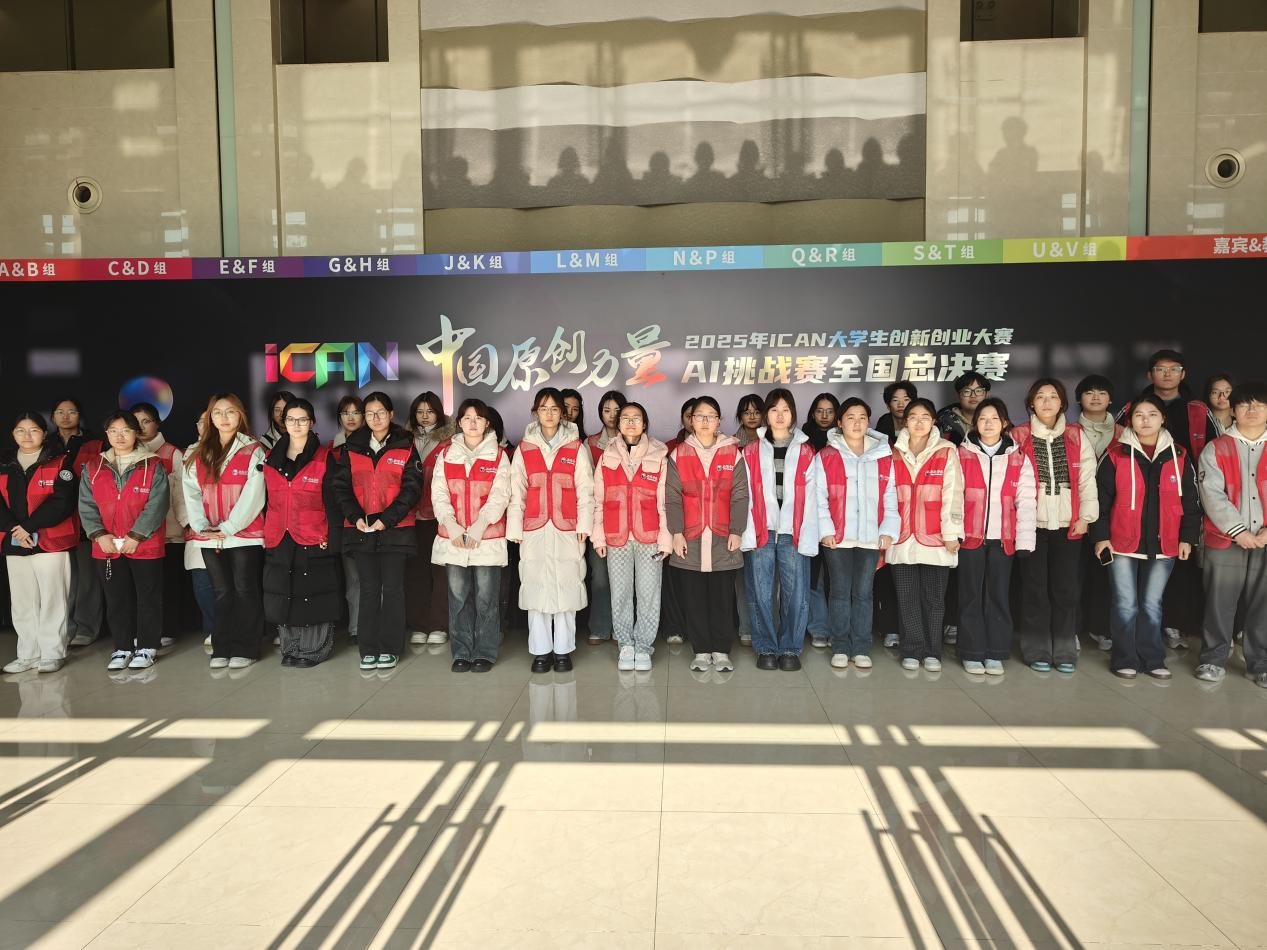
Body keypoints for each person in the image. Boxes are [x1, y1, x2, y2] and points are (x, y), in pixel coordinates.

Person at [1091, 396, 1200, 680]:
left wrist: (1187, 537)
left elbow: (1191, 501)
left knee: (1152, 604)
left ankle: (1153, 659)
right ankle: (1125, 658)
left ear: (1163, 418)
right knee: (1125, 603)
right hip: (1121, 542)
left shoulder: (1179, 454)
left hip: (1166, 541)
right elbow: (1100, 500)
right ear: (1131, 420)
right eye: (1139, 414)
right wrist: (1101, 537)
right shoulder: (1115, 454)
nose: (1146, 420)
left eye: (1152, 414)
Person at [1116, 350, 1217, 650]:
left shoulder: (1197, 409)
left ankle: (1174, 625)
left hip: (1182, 496)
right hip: (1136, 500)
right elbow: (1117, 447)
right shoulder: (1131, 407)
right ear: (1150, 374)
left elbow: (1215, 450)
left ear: (1183, 374)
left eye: (1174, 369)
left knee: (1179, 567)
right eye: (1160, 369)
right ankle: (1128, 638)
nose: (1167, 374)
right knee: (1129, 580)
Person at [1012, 378, 1099, 673]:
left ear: (1062, 402)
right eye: (1040, 396)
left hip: (1068, 522)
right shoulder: (1019, 435)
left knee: (1066, 589)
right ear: (1031, 403)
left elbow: (1087, 479)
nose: (1047, 402)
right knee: (1034, 589)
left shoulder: (1076, 435)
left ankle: (1064, 649)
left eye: (1053, 396)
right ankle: (1036, 649)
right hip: (1031, 523)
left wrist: (1086, 517)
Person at [332, 391, 423, 671]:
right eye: (369, 413)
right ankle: (368, 648)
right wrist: (355, 517)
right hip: (361, 529)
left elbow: (412, 488)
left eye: (380, 412)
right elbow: (340, 488)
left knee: (393, 588)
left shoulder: (405, 445)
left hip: (395, 529)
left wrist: (387, 519)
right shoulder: (351, 447)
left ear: (391, 414)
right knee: (368, 589)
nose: (375, 418)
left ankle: (390, 648)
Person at [507, 387, 594, 673]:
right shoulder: (525, 448)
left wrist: (584, 524)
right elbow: (516, 491)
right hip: (533, 527)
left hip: (568, 528)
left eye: (554, 409)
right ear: (536, 412)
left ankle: (563, 650)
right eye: (543, 409)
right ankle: (541, 651)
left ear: (563, 414)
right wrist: (515, 527)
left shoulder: (576, 448)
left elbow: (586, 489)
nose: (549, 414)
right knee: (536, 587)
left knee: (566, 587)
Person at [78, 411, 170, 671]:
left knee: (148, 597)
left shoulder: (152, 465)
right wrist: (98, 534)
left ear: (136, 433)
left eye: (126, 430)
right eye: (113, 431)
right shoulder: (93, 467)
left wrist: (136, 535)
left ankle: (147, 646)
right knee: (116, 598)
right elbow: (86, 504)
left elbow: (158, 503)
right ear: (106, 434)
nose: (119, 436)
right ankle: (122, 647)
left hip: (144, 543)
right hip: (107, 545)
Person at [182, 393, 267, 670]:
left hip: (243, 534)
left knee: (245, 589)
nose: (224, 418)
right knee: (220, 591)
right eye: (217, 413)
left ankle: (246, 647)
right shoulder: (197, 452)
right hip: (209, 535)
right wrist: (201, 525)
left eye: (230, 412)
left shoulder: (253, 449)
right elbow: (191, 492)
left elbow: (254, 494)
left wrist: (229, 527)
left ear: (240, 415)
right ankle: (222, 647)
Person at [813, 397, 898, 669]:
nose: (857, 423)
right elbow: (819, 497)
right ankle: (840, 645)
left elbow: (890, 495)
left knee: (863, 593)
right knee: (839, 592)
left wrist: (888, 530)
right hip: (838, 537)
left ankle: (861, 647)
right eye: (850, 417)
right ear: (840, 422)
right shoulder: (827, 455)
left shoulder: (883, 455)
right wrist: (826, 530)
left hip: (871, 537)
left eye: (862, 417)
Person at [666, 396, 749, 672]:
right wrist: (676, 533)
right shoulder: (679, 454)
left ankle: (721, 650)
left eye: (710, 416)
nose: (704, 421)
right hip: (690, 536)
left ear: (718, 421)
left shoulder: (732, 453)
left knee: (722, 597)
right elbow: (672, 497)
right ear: (691, 421)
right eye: (699, 416)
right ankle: (701, 650)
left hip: (723, 535)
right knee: (695, 598)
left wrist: (737, 530)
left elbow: (740, 494)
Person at [740, 389, 819, 671]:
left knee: (796, 594)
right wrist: (748, 531)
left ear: (793, 413)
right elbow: (746, 495)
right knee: (760, 592)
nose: (780, 415)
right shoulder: (751, 451)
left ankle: (790, 648)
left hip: (792, 532)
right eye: (774, 410)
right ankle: (765, 648)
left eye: (785, 410)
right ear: (766, 414)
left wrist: (808, 534)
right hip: (762, 530)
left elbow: (813, 497)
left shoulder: (807, 451)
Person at [956, 398, 1036, 675]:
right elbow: (954, 497)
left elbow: (1026, 501)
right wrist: (955, 533)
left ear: (1004, 423)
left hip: (1004, 538)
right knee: (970, 595)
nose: (988, 423)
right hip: (970, 537)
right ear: (974, 423)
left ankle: (995, 652)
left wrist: (1025, 541)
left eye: (994, 418)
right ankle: (971, 652)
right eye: (982, 418)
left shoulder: (1018, 456)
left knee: (998, 595)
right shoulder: (962, 454)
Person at [431, 399, 512, 672]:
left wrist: (480, 526)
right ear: (459, 423)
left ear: (487, 423)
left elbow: (501, 495)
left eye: (478, 418)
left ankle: (485, 652)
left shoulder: (499, 456)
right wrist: (451, 525)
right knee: (458, 598)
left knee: (487, 599)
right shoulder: (446, 454)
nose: (473, 423)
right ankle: (461, 652)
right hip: (453, 538)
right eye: (467, 418)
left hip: (486, 538)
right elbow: (439, 493)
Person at [1196, 382, 1267, 687]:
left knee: (1264, 603)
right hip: (1225, 540)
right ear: (1233, 410)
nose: (1252, 410)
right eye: (1245, 405)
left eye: (1259, 405)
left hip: (1265, 540)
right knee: (1219, 602)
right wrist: (1239, 531)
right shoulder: (1216, 447)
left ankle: (1260, 663)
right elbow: (1211, 494)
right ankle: (1213, 660)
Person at [262, 398, 341, 668]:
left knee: (314, 594)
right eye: (291, 419)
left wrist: (332, 538)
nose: (296, 424)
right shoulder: (271, 458)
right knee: (285, 592)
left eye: (302, 419)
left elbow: (333, 503)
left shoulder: (324, 458)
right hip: (279, 535)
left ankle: (313, 649)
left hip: (313, 535)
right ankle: (291, 647)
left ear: (312, 422)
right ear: (283, 423)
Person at [592, 402, 670, 671]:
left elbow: (664, 502)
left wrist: (665, 538)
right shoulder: (607, 455)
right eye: (625, 418)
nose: (630, 422)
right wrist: (598, 537)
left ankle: (644, 647)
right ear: (619, 423)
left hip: (649, 536)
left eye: (636, 418)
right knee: (620, 594)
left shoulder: (659, 454)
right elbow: (598, 499)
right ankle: (625, 644)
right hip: (616, 535)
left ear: (645, 424)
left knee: (649, 594)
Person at [887, 398, 964, 671]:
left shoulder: (946, 450)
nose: (919, 422)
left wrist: (952, 533)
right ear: (905, 421)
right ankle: (912, 648)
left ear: (933, 421)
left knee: (934, 598)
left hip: (936, 536)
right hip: (902, 534)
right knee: (906, 597)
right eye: (913, 417)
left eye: (925, 417)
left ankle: (932, 651)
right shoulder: (892, 452)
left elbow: (953, 494)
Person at [0, 411, 77, 673]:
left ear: (44, 434)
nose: (27, 435)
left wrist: (28, 527)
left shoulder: (60, 461)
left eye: (33, 430)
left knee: (53, 598)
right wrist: (14, 530)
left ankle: (53, 653)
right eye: (20, 430)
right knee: (22, 600)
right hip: (14, 541)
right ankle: (28, 654)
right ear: (13, 434)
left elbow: (63, 502)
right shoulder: (4, 463)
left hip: (50, 541)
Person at [133, 402, 188, 647]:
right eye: (136, 423)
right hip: (136, 533)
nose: (141, 427)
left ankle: (168, 628)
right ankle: (144, 629)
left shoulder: (172, 453)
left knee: (168, 584)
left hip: (169, 531)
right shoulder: (126, 452)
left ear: (157, 423)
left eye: (146, 421)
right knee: (142, 586)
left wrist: (183, 524)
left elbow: (180, 494)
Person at [51, 397, 104, 649]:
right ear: (53, 416)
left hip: (84, 520)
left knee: (86, 579)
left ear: (79, 415)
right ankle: (60, 630)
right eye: (60, 412)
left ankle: (85, 628)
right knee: (60, 580)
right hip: (53, 522)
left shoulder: (94, 443)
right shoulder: (46, 443)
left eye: (71, 411)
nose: (65, 416)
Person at [1075, 374, 1122, 652]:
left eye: (1102, 392)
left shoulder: (1124, 432)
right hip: (1076, 512)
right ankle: (1073, 628)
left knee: (1105, 573)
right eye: (1089, 392)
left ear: (1110, 398)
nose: (1095, 397)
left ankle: (1101, 628)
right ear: (1079, 399)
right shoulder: (1069, 431)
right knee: (1074, 573)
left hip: (1112, 513)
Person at [405, 391, 454, 646]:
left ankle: (439, 625)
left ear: (439, 414)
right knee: (416, 572)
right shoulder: (403, 440)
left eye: (430, 411)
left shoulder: (451, 441)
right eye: (420, 411)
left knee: (441, 572)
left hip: (439, 517)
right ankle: (419, 624)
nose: (425, 416)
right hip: (410, 517)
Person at [582, 390, 626, 645]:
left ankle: (622, 628)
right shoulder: (590, 444)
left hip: (627, 520)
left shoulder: (634, 440)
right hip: (599, 518)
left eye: (617, 411)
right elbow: (587, 484)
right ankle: (599, 626)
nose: (612, 415)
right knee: (599, 577)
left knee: (624, 578)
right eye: (607, 410)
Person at [802, 392, 839, 647]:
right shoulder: (802, 441)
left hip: (840, 518)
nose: (824, 416)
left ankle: (838, 629)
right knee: (813, 577)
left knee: (838, 579)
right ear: (812, 413)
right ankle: (818, 627)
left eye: (830, 411)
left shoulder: (846, 441)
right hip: (809, 517)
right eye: (819, 411)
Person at [330, 395, 364, 642]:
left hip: (375, 520)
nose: (350, 418)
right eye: (345, 413)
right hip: (345, 522)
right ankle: (356, 627)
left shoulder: (374, 444)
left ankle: (376, 625)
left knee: (375, 578)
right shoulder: (331, 450)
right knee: (353, 578)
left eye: (356, 412)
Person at [661, 398, 696, 643]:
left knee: (697, 580)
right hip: (674, 518)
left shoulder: (721, 449)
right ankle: (674, 627)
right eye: (689, 416)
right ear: (682, 419)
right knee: (673, 576)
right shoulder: (669, 448)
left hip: (703, 521)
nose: (694, 421)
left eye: (700, 415)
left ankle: (697, 628)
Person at [731, 393, 763, 645]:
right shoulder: (730, 446)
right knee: (742, 577)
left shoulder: (771, 443)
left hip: (765, 517)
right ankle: (746, 628)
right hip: (739, 517)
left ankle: (767, 628)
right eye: (746, 412)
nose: (752, 416)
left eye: (756, 411)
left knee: (766, 579)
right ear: (740, 416)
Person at [183, 412, 215, 645]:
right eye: (201, 422)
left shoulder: (241, 450)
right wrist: (189, 521)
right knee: (203, 583)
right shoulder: (190, 452)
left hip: (231, 528)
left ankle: (235, 630)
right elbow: (180, 493)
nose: (205, 426)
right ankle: (213, 629)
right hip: (198, 527)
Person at [936, 372, 991, 446]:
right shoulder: (943, 421)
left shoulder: (998, 421)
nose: (973, 395)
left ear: (987, 395)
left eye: (978, 391)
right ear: (958, 395)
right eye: (967, 391)